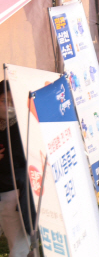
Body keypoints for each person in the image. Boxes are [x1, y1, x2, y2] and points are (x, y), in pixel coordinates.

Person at [0, 82, 30, 257]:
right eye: (4, 100)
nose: (8, 106)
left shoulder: (24, 125)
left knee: (22, 245)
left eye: (12, 101)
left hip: (17, 191)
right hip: (8, 191)